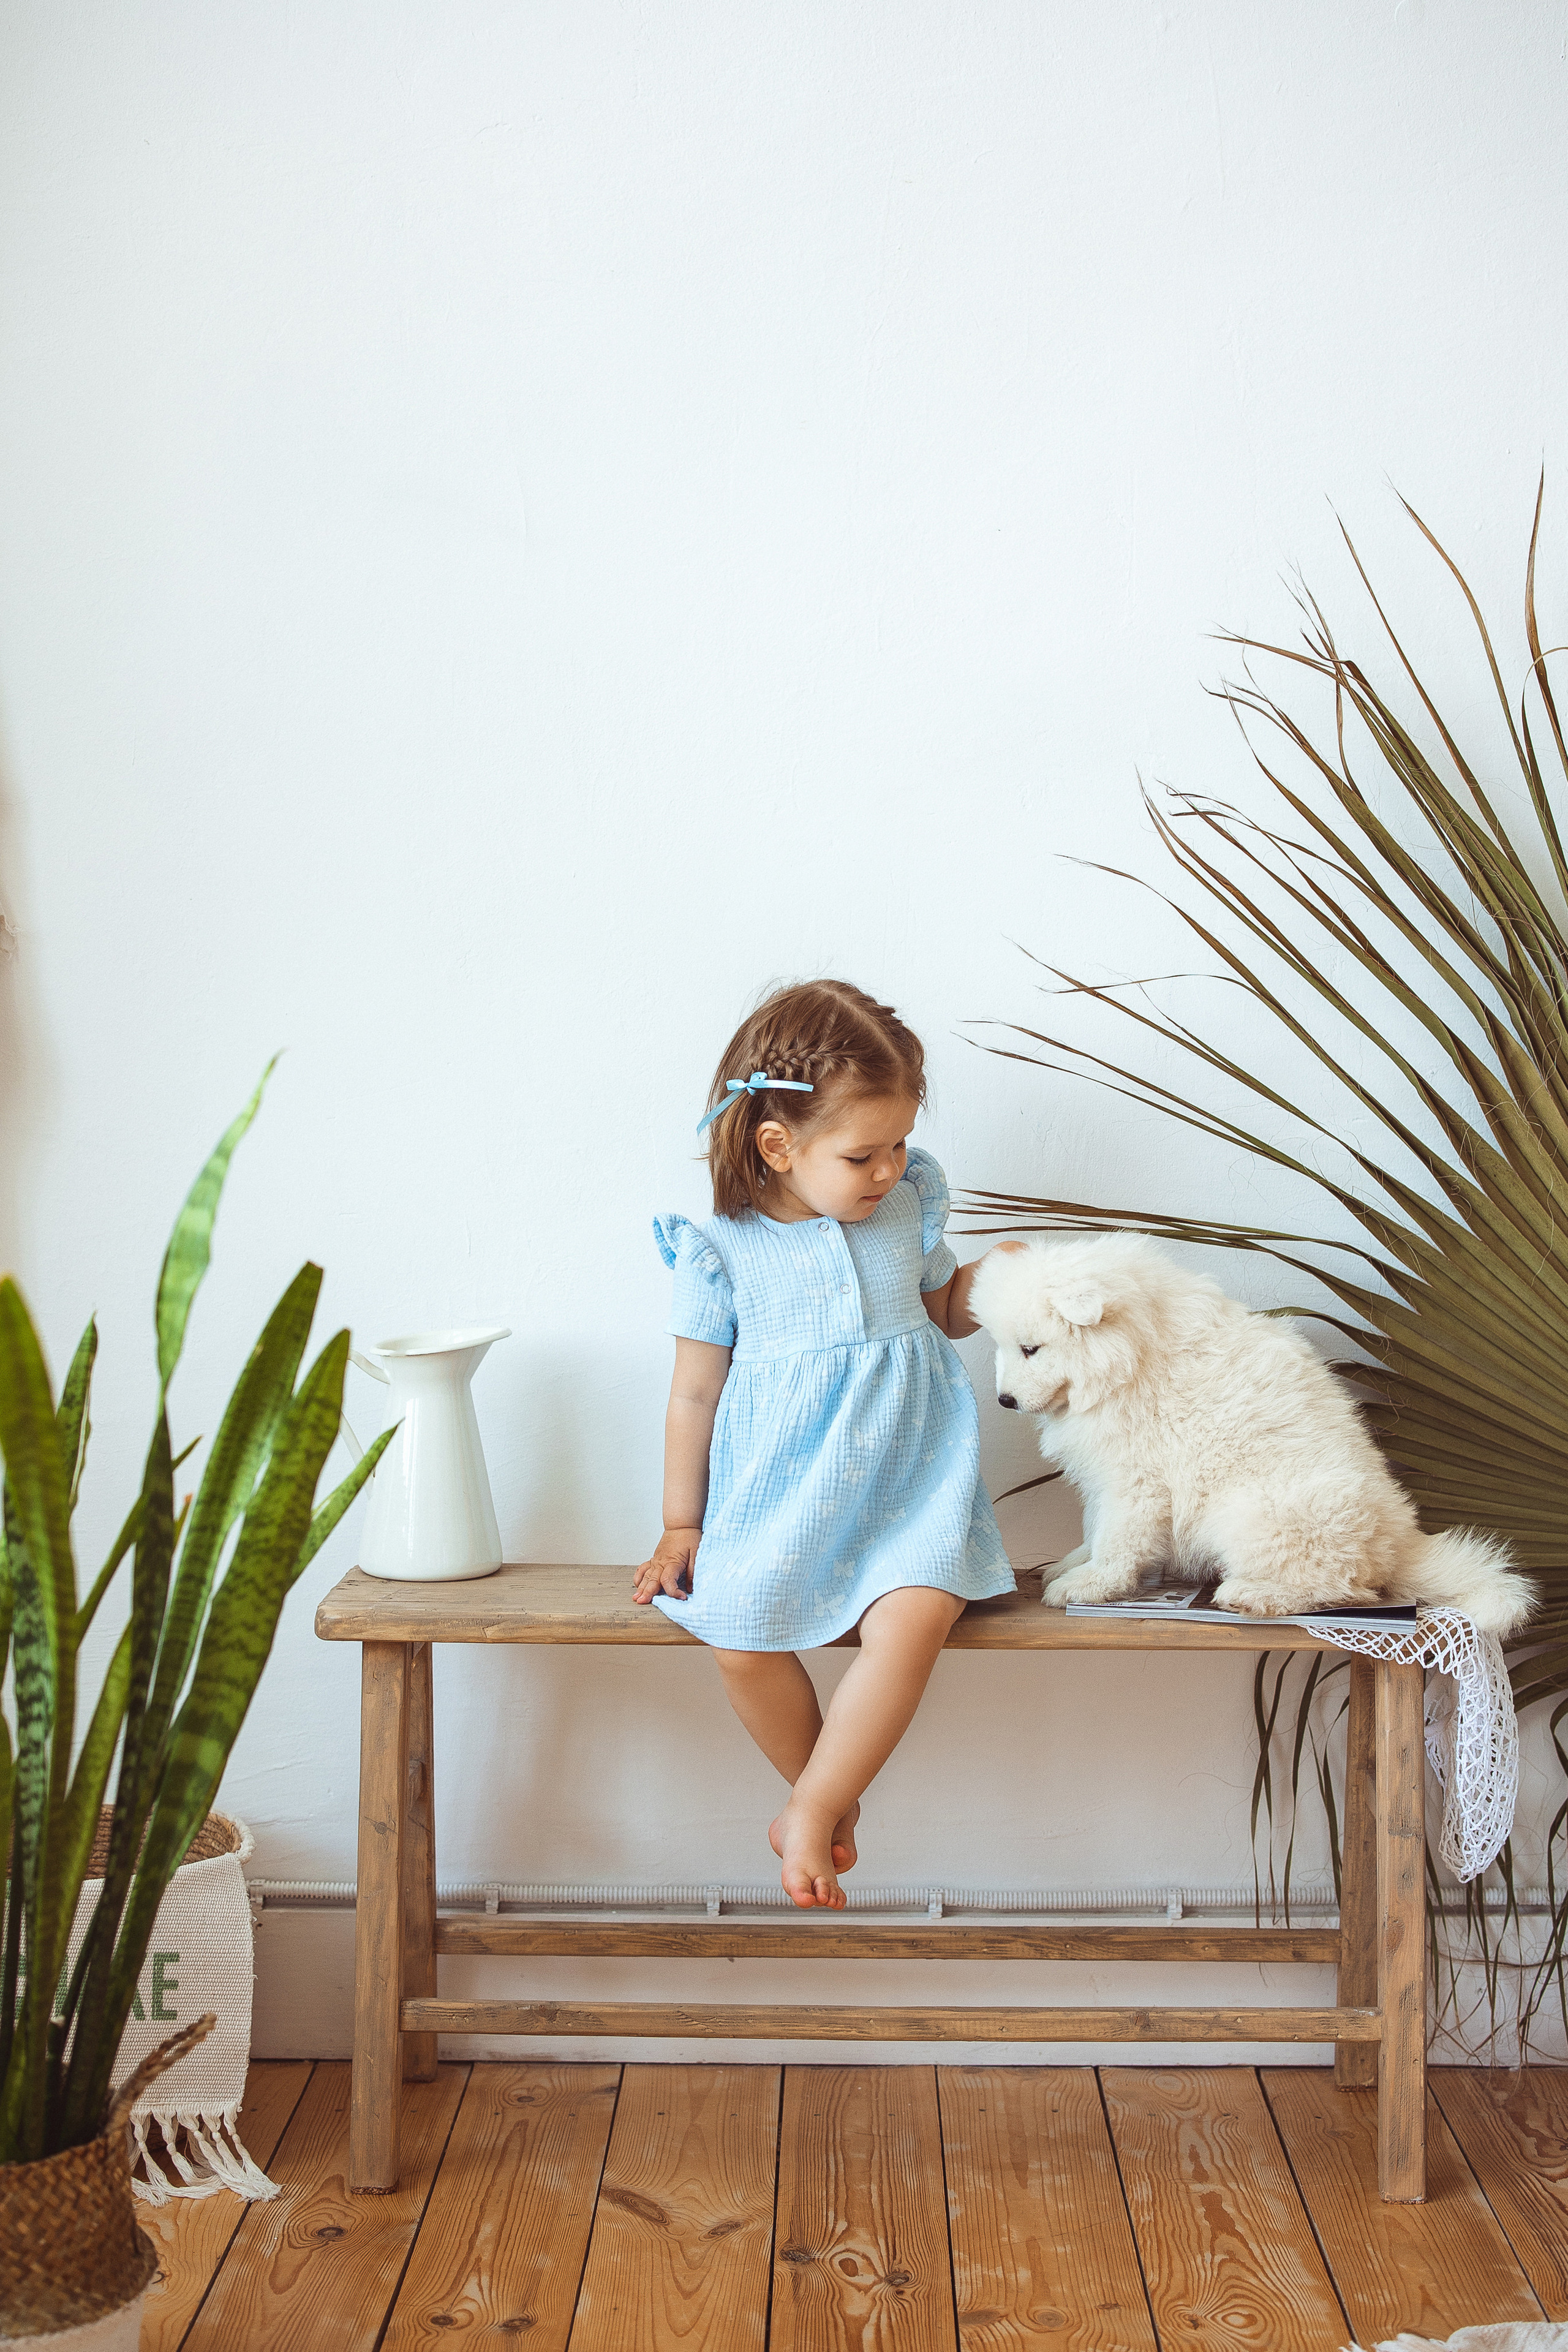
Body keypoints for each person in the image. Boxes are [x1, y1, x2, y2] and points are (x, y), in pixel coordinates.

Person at [634, 978, 1017, 1910]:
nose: (888, 1169)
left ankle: (812, 1809)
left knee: (917, 1617)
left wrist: (993, 1284)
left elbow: (939, 1312)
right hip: (782, 1495)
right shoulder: (720, 1248)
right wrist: (681, 1525)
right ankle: (822, 1800)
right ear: (779, 1145)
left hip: (913, 1483)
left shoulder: (905, 1207)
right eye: (863, 1154)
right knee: (738, 1634)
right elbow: (693, 1393)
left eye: (897, 1146)